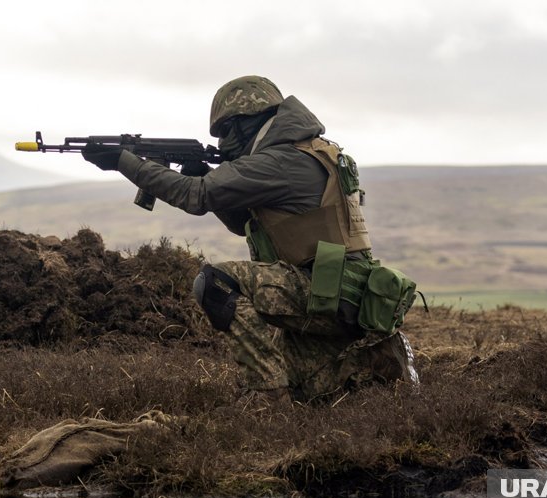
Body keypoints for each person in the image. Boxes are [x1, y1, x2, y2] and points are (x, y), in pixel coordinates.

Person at [82, 75, 418, 404]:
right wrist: (207, 178)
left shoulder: (279, 160)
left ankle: (267, 399)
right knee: (312, 395)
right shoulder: (309, 152)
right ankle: (367, 368)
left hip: (326, 291)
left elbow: (195, 197)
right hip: (341, 293)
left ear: (248, 122)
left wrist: (124, 162)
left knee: (217, 283)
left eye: (227, 132)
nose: (223, 144)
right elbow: (245, 223)